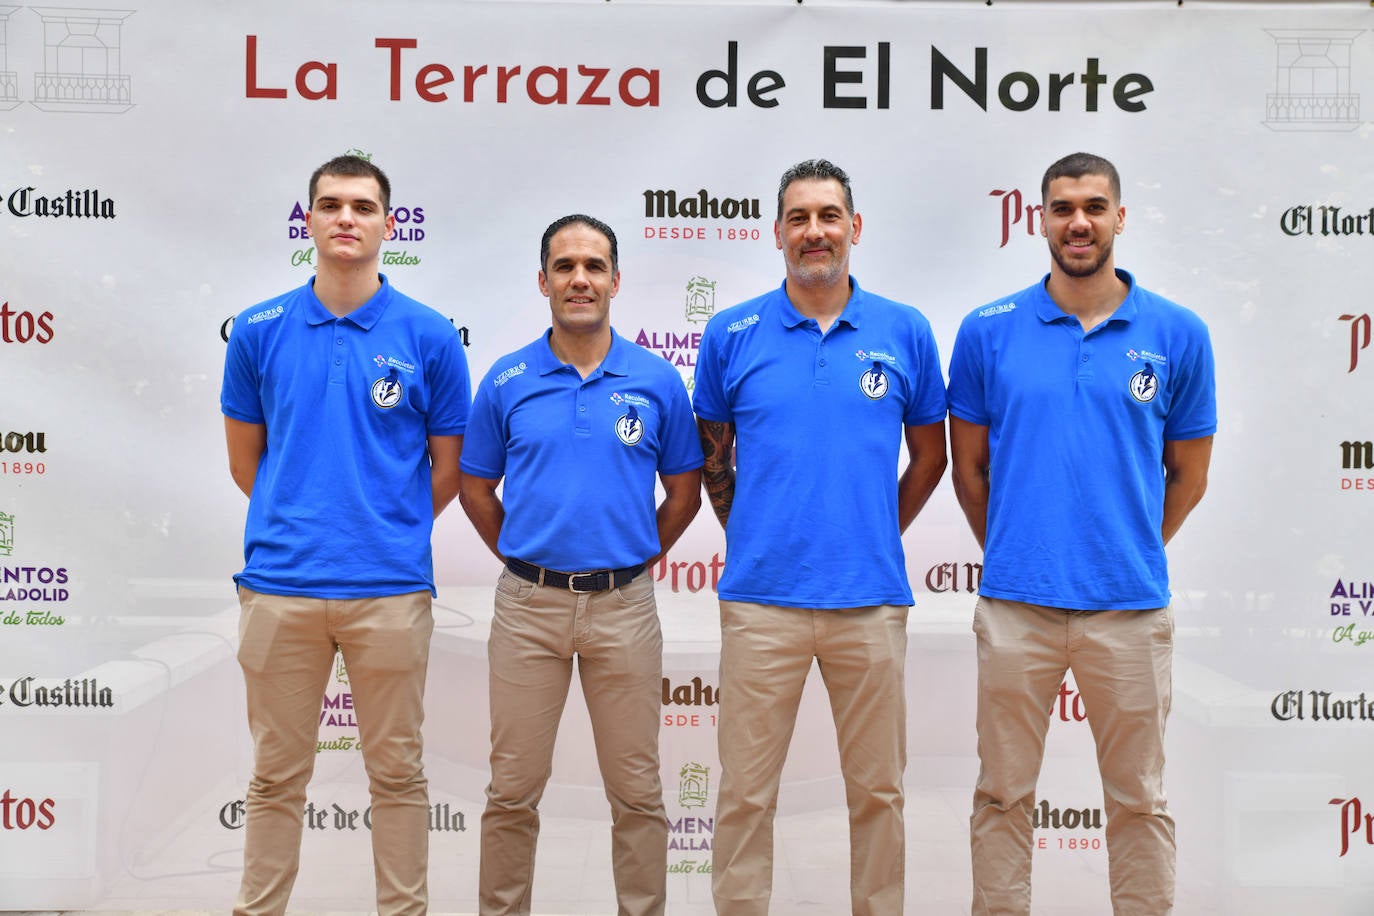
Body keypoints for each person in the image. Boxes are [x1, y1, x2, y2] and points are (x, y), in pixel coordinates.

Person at [946, 152, 1216, 916]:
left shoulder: (1177, 333)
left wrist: (1126, 544)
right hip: (1015, 609)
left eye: (1095, 206)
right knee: (1001, 797)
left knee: (1139, 801)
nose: (1079, 222)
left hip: (1128, 611)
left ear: (1119, 218)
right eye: (1063, 207)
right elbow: (970, 474)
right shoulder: (987, 331)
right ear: (1040, 219)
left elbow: (1190, 477)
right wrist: (1015, 549)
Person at [693, 159, 948, 915]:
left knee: (877, 792)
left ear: (854, 228)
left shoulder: (905, 330)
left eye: (829, 216)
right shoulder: (730, 333)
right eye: (799, 218)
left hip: (868, 599)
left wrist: (872, 529)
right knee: (743, 793)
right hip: (760, 602)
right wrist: (753, 530)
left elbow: (930, 456)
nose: (814, 232)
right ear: (776, 233)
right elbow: (714, 456)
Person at [220, 154, 470, 916]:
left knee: (397, 774)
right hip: (279, 588)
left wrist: (381, 533)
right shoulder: (258, 330)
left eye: (363, 206)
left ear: (389, 224)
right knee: (274, 778)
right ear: (309, 221)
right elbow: (248, 465)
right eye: (330, 205)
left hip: (389, 592)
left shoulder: (429, 335)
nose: (346, 219)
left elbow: (448, 471)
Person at [458, 214, 703, 916]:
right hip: (527, 608)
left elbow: (684, 490)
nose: (579, 279)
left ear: (616, 281)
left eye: (594, 266)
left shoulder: (656, 379)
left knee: (638, 793)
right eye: (564, 266)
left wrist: (634, 556)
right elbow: (475, 487)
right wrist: (520, 554)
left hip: (623, 608)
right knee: (511, 790)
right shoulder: (507, 379)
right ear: (543, 281)